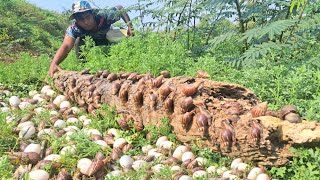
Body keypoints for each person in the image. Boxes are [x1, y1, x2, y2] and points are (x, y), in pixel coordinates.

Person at [48, 0, 134, 77]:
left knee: (123, 34)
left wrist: (130, 27)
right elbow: (66, 45)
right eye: (81, 19)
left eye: (87, 17)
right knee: (78, 42)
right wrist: (54, 63)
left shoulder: (103, 15)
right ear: (77, 20)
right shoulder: (74, 28)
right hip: (90, 41)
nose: (86, 22)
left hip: (107, 36)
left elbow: (120, 9)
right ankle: (83, 66)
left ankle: (124, 57)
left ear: (92, 14)